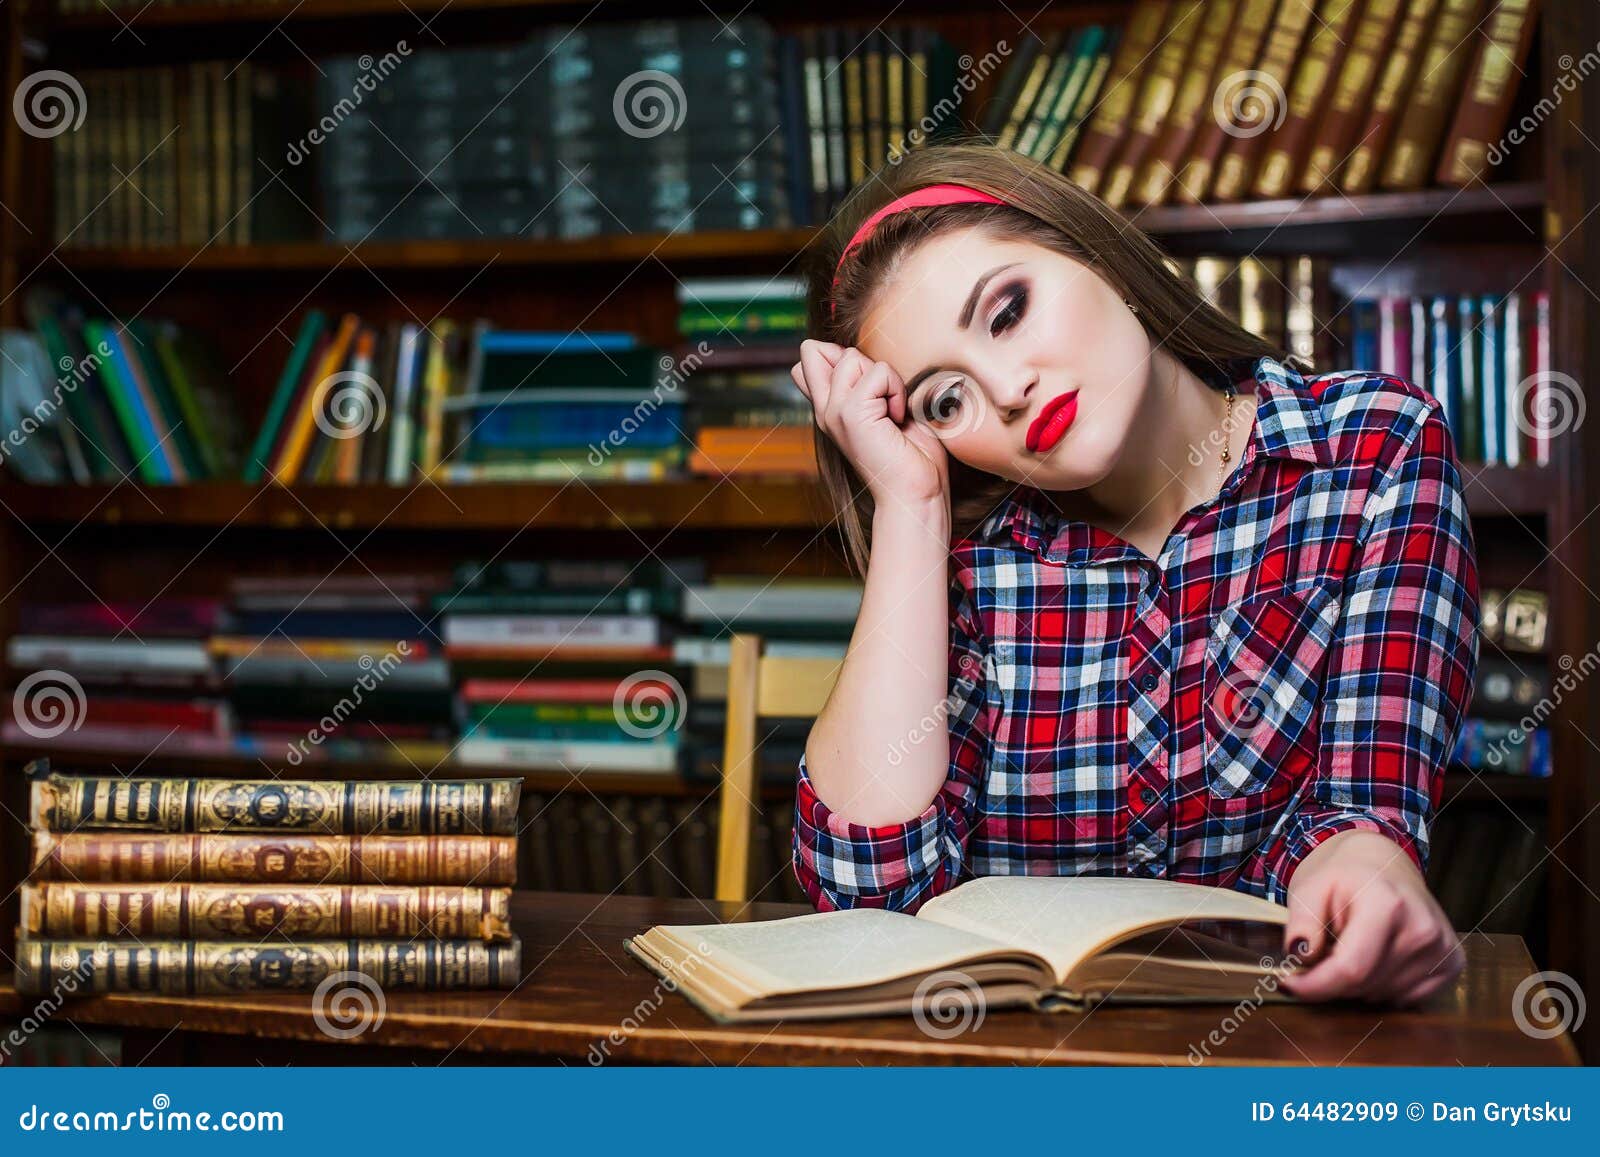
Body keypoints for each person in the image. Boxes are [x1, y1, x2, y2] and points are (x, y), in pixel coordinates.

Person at [788, 140, 1480, 1007]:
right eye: (945, 399)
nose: (1006, 389)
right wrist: (910, 508)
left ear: (1099, 255)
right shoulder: (962, 562)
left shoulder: (1374, 450)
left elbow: (1363, 812)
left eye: (1007, 312)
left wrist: (1368, 873)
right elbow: (863, 892)